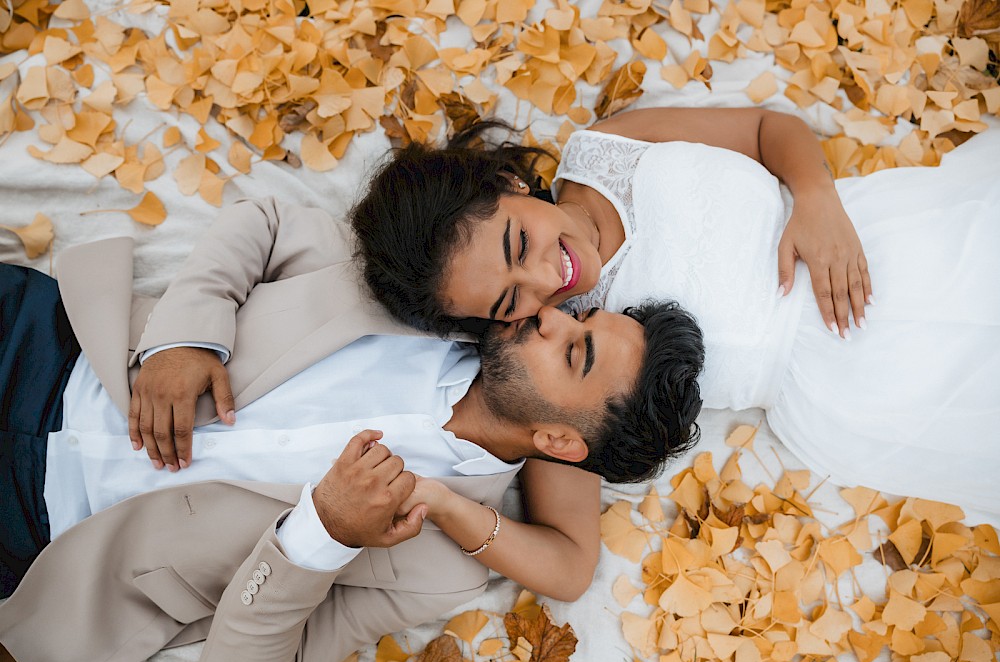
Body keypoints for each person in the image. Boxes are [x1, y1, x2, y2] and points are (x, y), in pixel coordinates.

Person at [0, 196, 705, 662]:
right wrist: (185, 339)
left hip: (41, 528)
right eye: (577, 319)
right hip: (55, 347)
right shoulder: (437, 287)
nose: (549, 315)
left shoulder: (441, 569)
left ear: (559, 443)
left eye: (574, 353)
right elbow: (267, 221)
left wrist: (322, 535)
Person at [350, 107, 1000, 518]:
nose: (547, 279)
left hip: (873, 231)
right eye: (508, 301)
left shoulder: (604, 147)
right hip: (852, 374)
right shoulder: (575, 354)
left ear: (509, 185)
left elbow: (767, 130)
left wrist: (815, 198)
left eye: (519, 243)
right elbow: (568, 549)